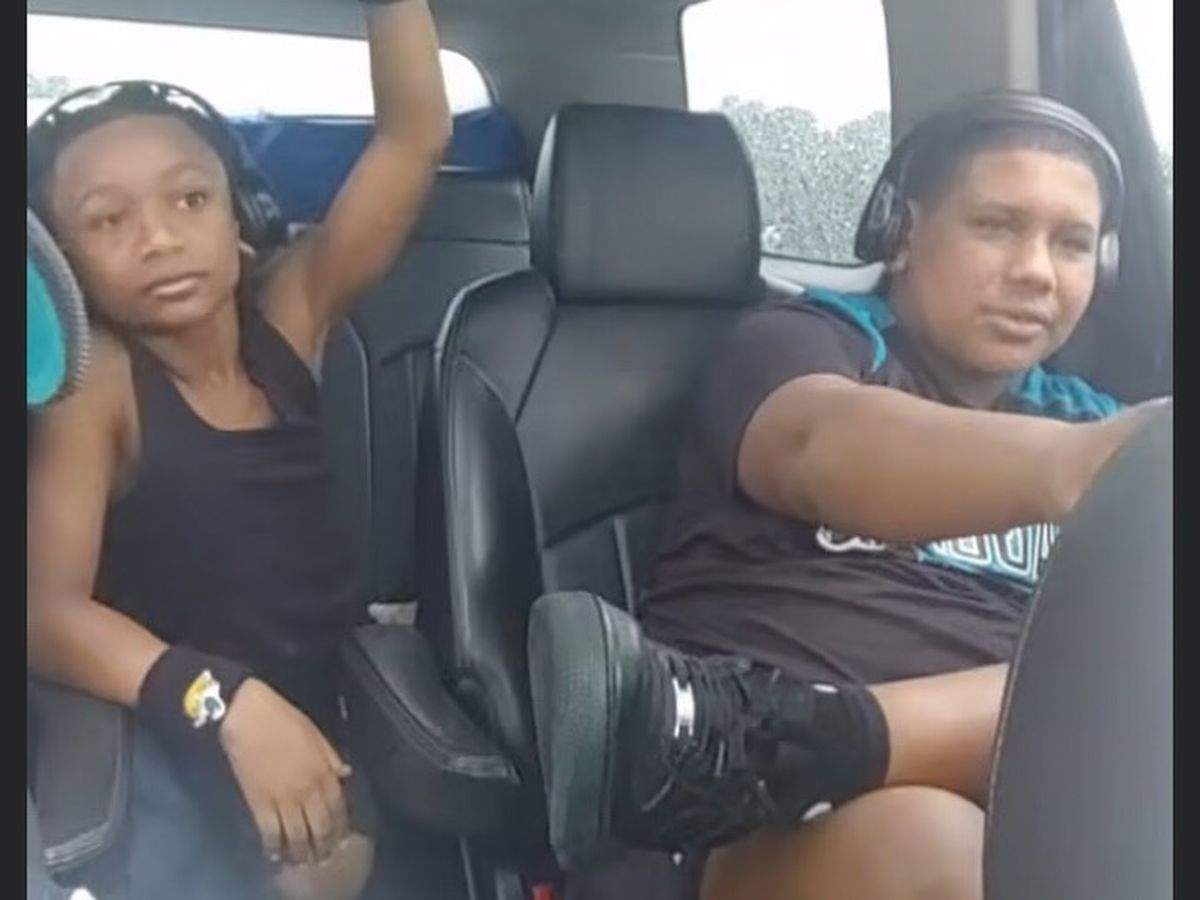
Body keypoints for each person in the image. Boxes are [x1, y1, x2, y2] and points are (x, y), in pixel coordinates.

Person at [529, 91, 1167, 900]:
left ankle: (796, 735)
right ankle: (760, 744)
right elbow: (813, 446)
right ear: (900, 234)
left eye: (1072, 243)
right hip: (750, 832)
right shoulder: (806, 344)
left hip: (1032, 802)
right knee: (944, 848)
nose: (1037, 271)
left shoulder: (1092, 417)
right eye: (997, 226)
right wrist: (1079, 467)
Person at [25, 3, 450, 899]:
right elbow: (45, 613)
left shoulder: (287, 320)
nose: (159, 239)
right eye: (106, 221)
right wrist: (220, 701)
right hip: (179, 730)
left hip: (330, 711)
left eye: (190, 199)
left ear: (241, 216)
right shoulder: (96, 387)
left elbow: (413, 139)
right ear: (59, 262)